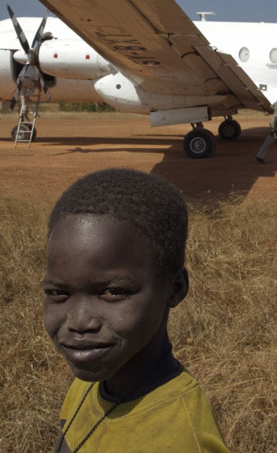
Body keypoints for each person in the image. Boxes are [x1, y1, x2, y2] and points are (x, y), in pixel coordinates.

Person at [44, 169, 230, 452]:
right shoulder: (91, 382)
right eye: (58, 293)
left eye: (114, 292)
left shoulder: (180, 441)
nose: (79, 322)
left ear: (175, 288)